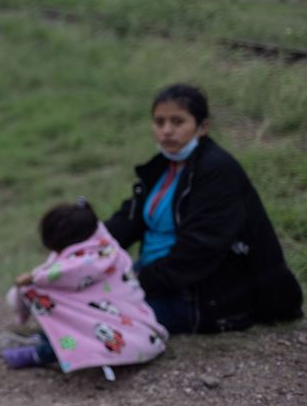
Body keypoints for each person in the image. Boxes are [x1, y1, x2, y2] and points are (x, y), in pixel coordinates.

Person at [105, 84, 303, 333]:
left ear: (203, 127)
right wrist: (85, 247)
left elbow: (199, 248)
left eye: (178, 122)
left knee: (104, 317)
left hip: (202, 295)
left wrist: (138, 282)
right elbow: (130, 218)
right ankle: (52, 342)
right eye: (159, 122)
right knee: (79, 298)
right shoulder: (164, 166)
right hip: (156, 275)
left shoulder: (216, 171)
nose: (166, 131)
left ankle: (47, 351)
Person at [2, 200, 167, 374]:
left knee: (74, 338)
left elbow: (57, 274)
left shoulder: (83, 264)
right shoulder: (107, 248)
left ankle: (38, 354)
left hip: (127, 341)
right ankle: (41, 338)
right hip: (143, 333)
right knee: (72, 324)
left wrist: (32, 279)